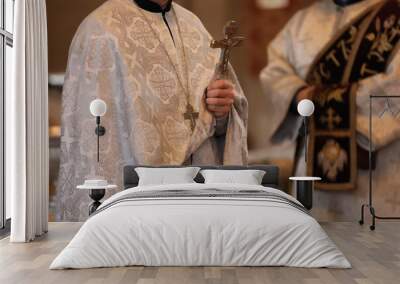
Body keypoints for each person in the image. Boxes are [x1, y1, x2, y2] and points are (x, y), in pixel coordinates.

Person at [57, 0, 248, 221]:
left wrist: (223, 111)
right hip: (137, 203)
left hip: (199, 198)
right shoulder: (102, 29)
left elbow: (224, 114)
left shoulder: (193, 25)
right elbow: (95, 146)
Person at [260, 0, 400, 220]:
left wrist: (319, 99)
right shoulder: (301, 22)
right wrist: (297, 94)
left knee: (374, 245)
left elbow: (396, 85)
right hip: (311, 167)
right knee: (314, 245)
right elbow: (274, 73)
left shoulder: (394, 17)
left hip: (377, 172)